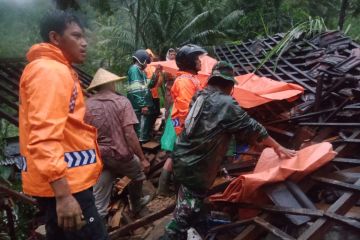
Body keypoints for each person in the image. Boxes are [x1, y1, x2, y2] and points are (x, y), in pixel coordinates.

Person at [161, 61, 297, 239]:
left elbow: (224, 127)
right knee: (185, 214)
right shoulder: (225, 103)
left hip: (182, 159)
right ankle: (170, 235)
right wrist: (278, 147)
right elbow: (252, 127)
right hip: (196, 168)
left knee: (189, 202)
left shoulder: (201, 96)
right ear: (229, 84)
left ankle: (198, 228)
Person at [18, 10, 108, 239]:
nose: (84, 42)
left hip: (64, 183)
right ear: (55, 38)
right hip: (67, 186)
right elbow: (44, 135)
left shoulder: (53, 69)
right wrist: (64, 196)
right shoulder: (51, 71)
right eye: (76, 36)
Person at [84, 68, 151, 217]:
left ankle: (97, 227)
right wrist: (142, 158)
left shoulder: (86, 105)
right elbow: (130, 133)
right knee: (138, 175)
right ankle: (136, 206)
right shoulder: (122, 102)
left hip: (99, 156)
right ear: (111, 84)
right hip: (121, 155)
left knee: (100, 199)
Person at [157, 44, 206, 196]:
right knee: (179, 157)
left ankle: (166, 190)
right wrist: (190, 131)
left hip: (182, 124)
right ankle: (173, 191)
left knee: (177, 154)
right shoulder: (185, 81)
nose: (200, 61)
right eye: (197, 59)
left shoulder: (191, 79)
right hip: (184, 125)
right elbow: (186, 109)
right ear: (189, 61)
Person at [127, 49, 162, 143]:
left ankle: (144, 142)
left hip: (142, 103)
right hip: (139, 106)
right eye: (146, 62)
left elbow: (149, 85)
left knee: (144, 126)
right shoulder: (134, 70)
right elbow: (136, 90)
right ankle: (142, 146)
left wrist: (156, 73)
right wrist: (143, 105)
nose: (146, 65)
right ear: (142, 60)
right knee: (140, 127)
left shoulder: (140, 71)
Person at [144, 49, 163, 131]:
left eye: (151, 56)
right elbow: (149, 83)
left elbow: (159, 82)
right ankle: (149, 131)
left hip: (155, 94)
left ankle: (151, 129)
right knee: (150, 114)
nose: (150, 57)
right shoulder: (143, 68)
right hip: (148, 95)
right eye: (148, 56)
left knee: (156, 113)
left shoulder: (154, 66)